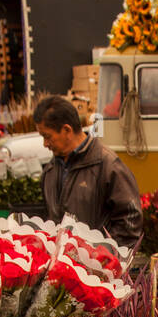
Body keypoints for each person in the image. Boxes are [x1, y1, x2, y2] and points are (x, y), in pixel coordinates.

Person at [34, 95, 143, 249]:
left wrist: (101, 255)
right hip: (61, 267)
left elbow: (131, 220)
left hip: (97, 269)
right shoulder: (51, 170)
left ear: (67, 130)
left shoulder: (108, 165)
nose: (45, 144)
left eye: (47, 136)